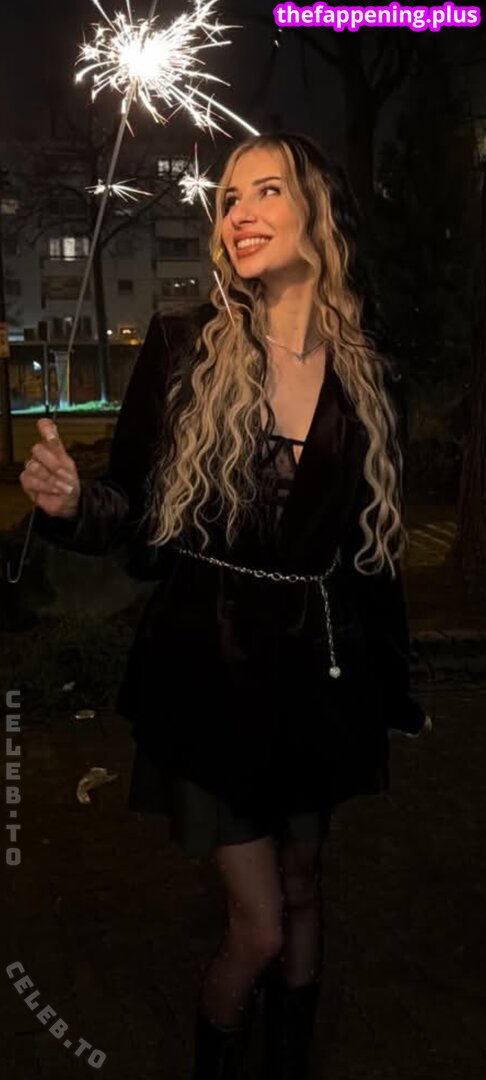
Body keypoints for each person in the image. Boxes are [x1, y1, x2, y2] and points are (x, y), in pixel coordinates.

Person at [19, 132, 431, 1080]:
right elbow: (134, 519)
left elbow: (373, 557)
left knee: (305, 885)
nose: (238, 212)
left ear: (318, 213)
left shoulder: (371, 375)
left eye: (266, 190)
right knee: (258, 925)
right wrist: (74, 505)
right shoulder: (181, 345)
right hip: (209, 673)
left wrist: (392, 682)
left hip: (318, 681)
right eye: (228, 197)